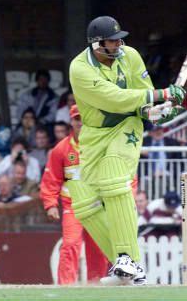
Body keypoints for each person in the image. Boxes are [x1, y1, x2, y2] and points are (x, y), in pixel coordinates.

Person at [68, 16, 185, 285]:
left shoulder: (130, 56)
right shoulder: (80, 68)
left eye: (121, 38)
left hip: (126, 127)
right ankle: (132, 268)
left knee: (113, 182)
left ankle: (125, 258)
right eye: (113, 39)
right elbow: (113, 98)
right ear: (98, 44)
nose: (120, 43)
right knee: (83, 201)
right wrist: (161, 96)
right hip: (94, 133)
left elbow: (140, 98)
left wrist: (156, 112)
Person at [40, 105, 108, 285]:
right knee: (70, 244)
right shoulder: (61, 149)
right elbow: (51, 179)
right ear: (71, 121)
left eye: (84, 118)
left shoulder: (99, 146)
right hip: (73, 206)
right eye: (77, 119)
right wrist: (51, 205)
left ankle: (97, 286)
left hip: (96, 206)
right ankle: (67, 288)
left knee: (98, 248)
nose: (81, 122)